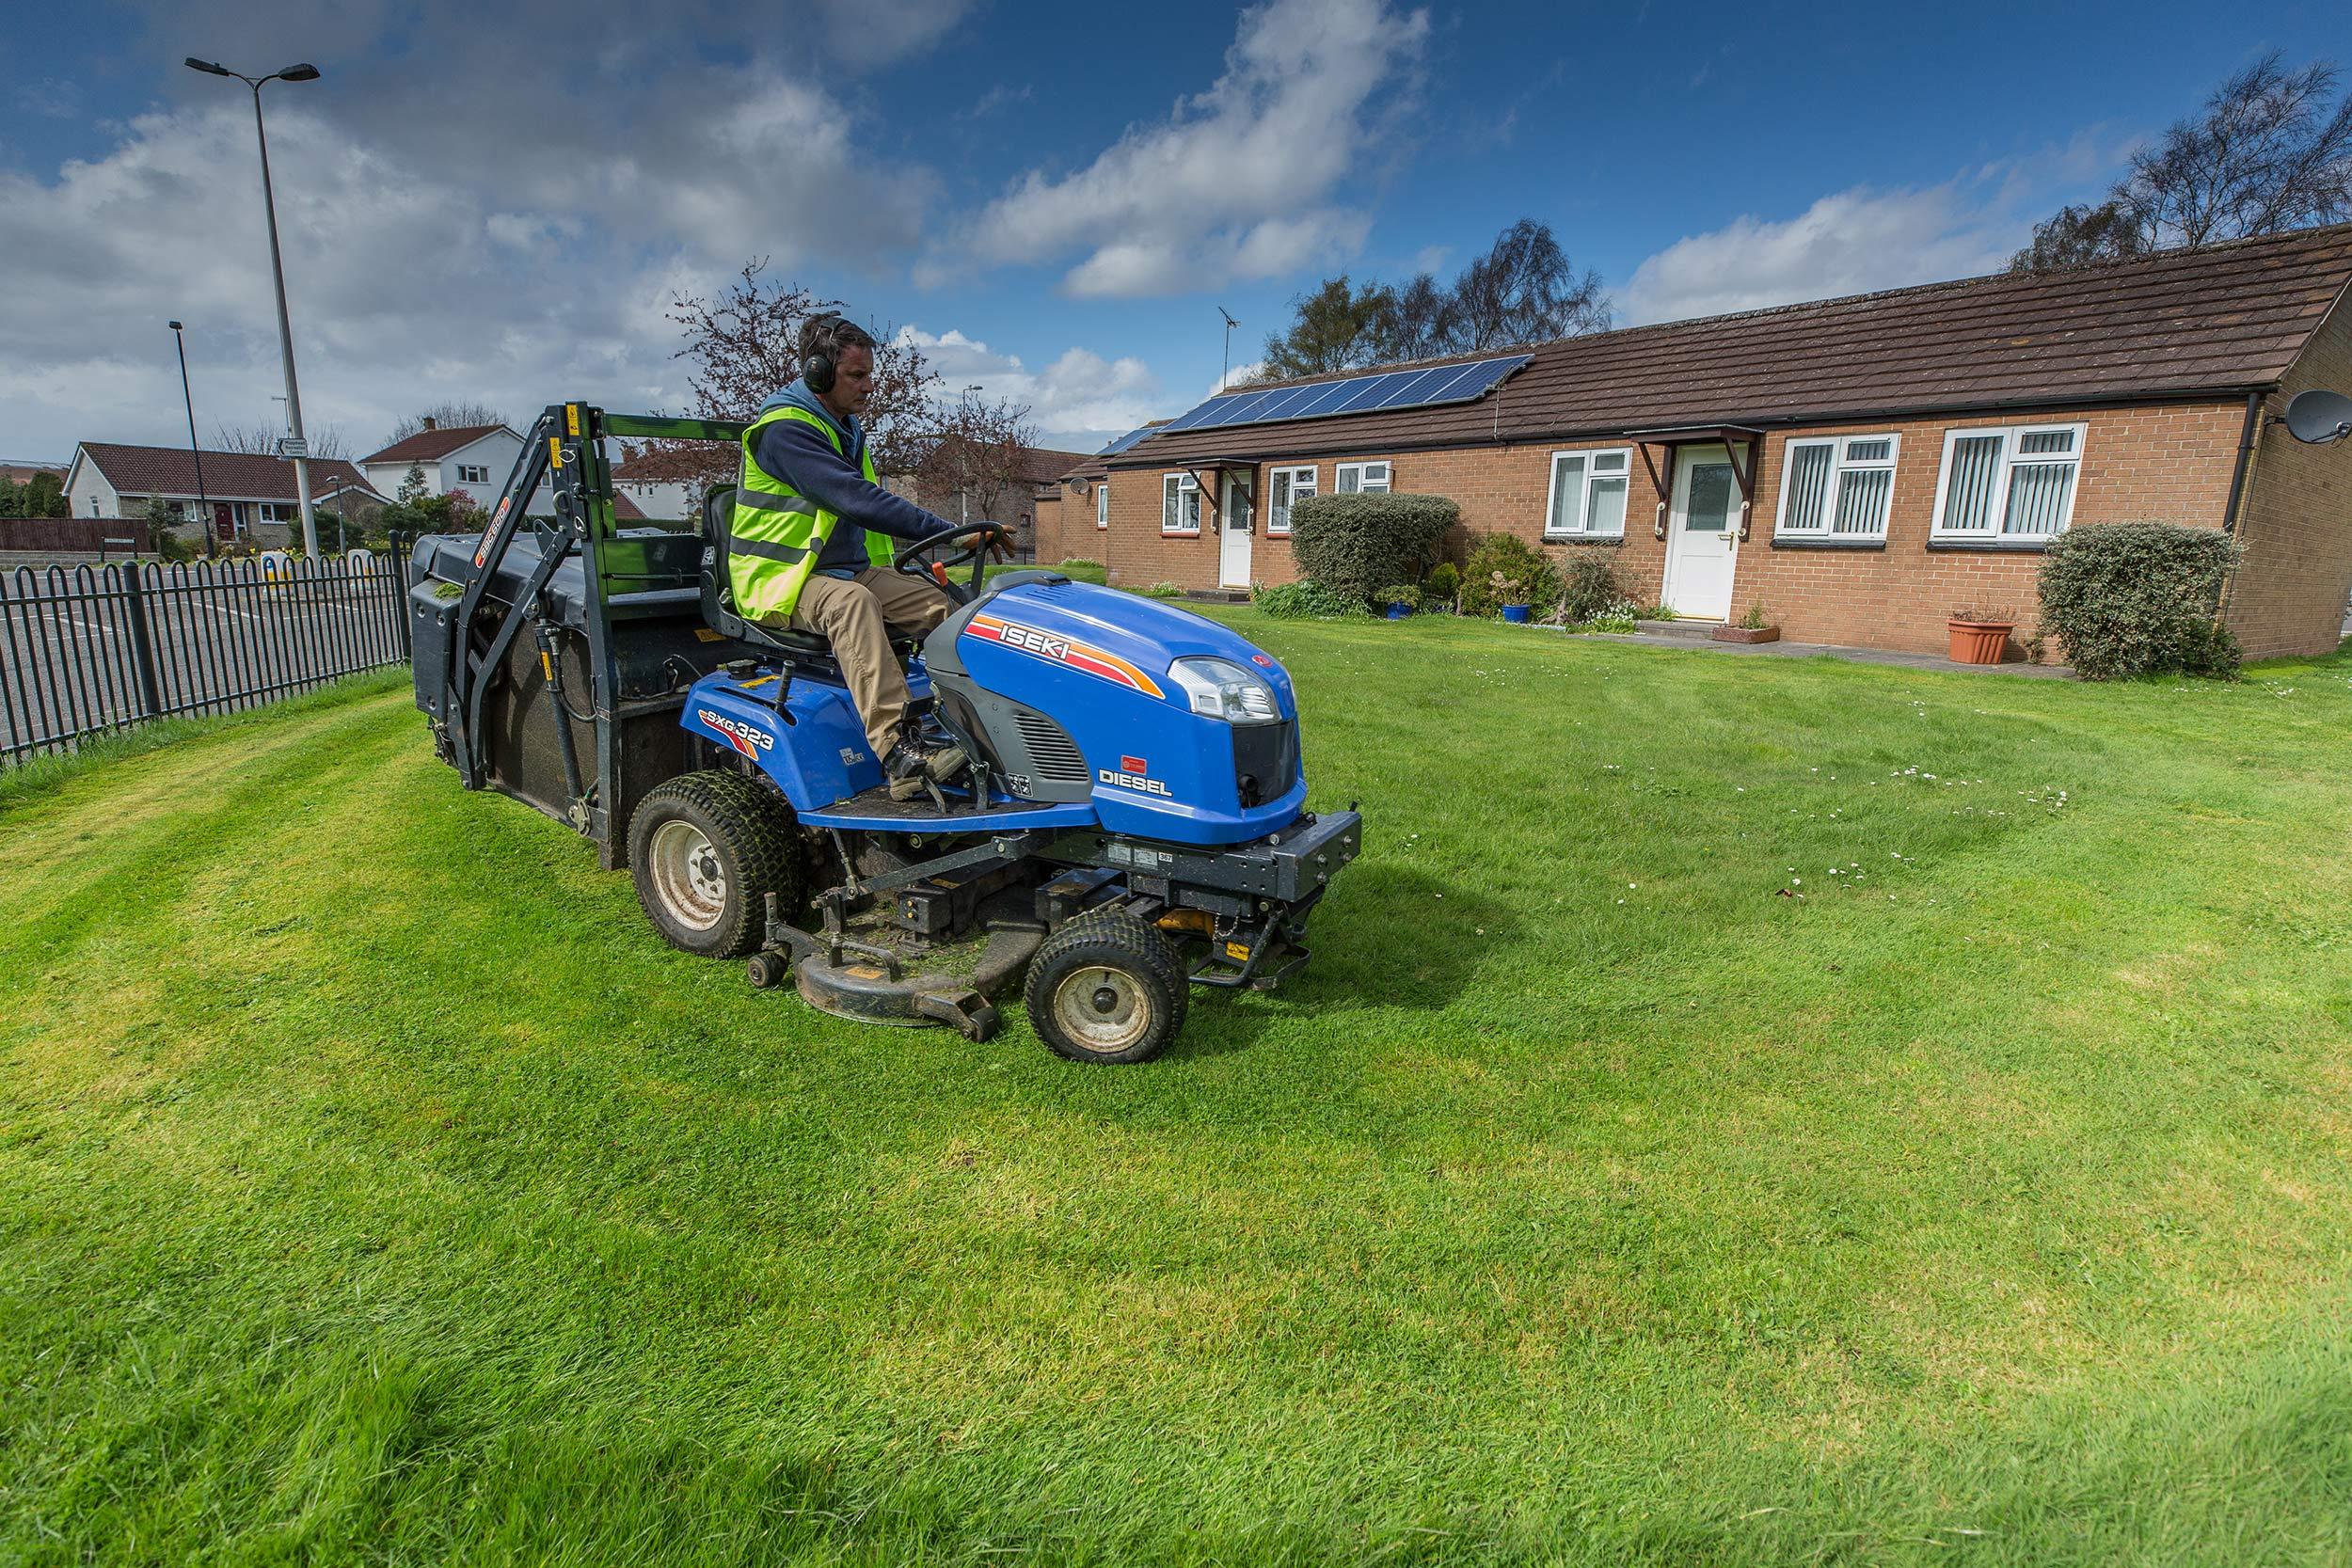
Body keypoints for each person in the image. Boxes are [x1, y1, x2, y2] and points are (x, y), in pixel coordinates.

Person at [729, 313, 998, 799]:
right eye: (857, 375)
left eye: (869, 374)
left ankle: (981, 726)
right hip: (783, 580)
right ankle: (899, 756)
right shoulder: (785, 432)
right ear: (818, 373)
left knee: (949, 610)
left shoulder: (844, 429)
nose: (869, 386)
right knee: (853, 605)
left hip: (847, 571)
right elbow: (859, 500)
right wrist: (952, 533)